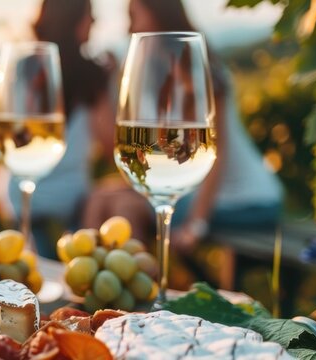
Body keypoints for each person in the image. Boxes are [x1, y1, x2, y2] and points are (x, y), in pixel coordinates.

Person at [83, 0, 284, 286]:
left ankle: (138, 295)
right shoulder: (154, 70)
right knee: (101, 196)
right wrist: (107, 84)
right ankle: (95, 291)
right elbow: (124, 144)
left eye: (134, 16)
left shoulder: (197, 71)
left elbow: (216, 153)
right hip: (200, 194)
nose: (129, 27)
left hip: (245, 200)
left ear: (158, 13)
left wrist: (195, 225)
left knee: (125, 208)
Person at [0, 0, 112, 260]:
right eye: (89, 15)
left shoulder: (23, 66)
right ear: (72, 19)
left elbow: (15, 135)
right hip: (69, 199)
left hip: (12, 190)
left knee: (37, 262)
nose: (94, 22)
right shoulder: (92, 74)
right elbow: (111, 142)